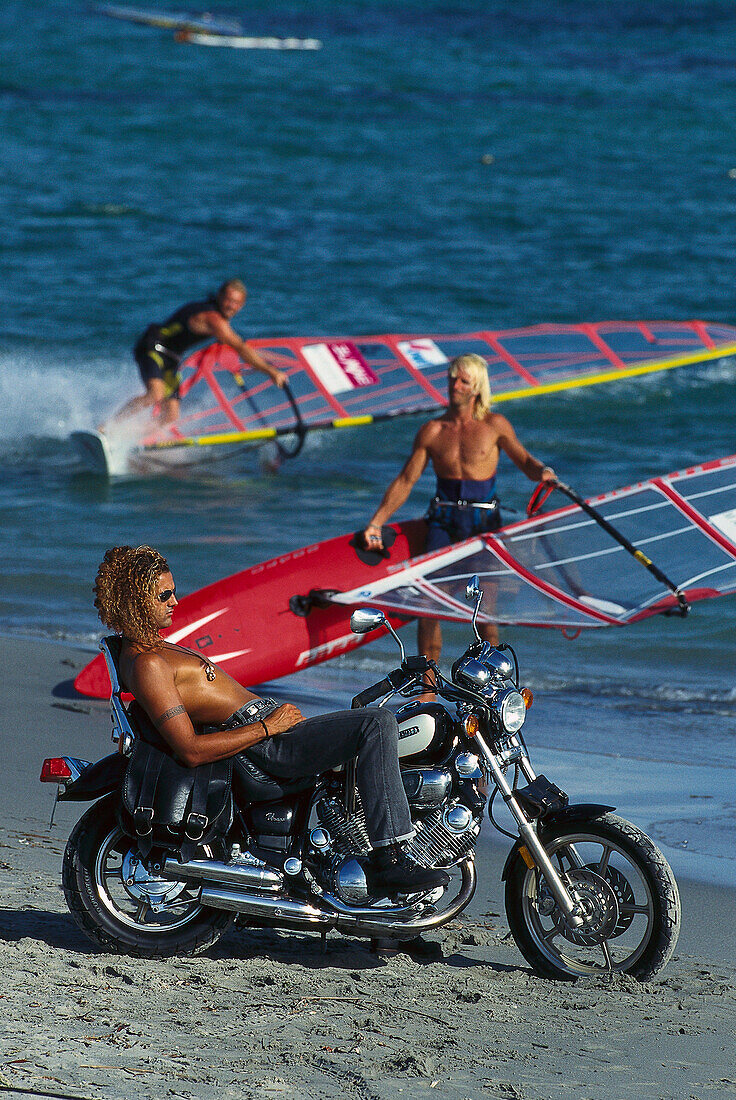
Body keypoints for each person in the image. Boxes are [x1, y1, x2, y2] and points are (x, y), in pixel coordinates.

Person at [93, 544, 448, 897]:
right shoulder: (148, 664)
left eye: (173, 592)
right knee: (377, 723)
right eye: (164, 595)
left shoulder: (151, 649)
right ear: (137, 601)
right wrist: (268, 727)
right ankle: (388, 859)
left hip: (270, 729)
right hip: (269, 743)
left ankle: (391, 920)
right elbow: (189, 750)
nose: (175, 602)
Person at [363, 353, 556, 662]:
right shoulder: (432, 430)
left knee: (485, 611)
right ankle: (426, 686)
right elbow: (405, 480)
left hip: (483, 524)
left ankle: (491, 684)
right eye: (452, 377)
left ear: (477, 387)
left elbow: (525, 461)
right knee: (428, 607)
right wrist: (376, 522)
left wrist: (543, 473)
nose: (455, 384)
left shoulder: (494, 425)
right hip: (443, 522)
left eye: (463, 380)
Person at [109, 279, 286, 426]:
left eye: (236, 302)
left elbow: (239, 346)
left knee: (170, 415)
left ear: (242, 305)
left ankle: (135, 440)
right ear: (219, 296)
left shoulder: (216, 318)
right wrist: (271, 372)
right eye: (228, 300)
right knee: (155, 394)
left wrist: (266, 360)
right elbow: (240, 347)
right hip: (153, 348)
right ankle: (109, 427)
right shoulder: (213, 319)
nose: (230, 306)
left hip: (170, 359)